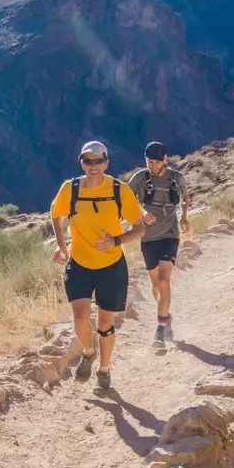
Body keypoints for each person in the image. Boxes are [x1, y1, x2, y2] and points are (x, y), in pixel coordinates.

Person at [50, 141, 145, 393]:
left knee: (105, 323)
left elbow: (140, 227)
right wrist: (61, 245)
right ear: (81, 162)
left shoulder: (118, 190)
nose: (93, 166)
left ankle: (104, 369)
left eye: (98, 161)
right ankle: (88, 352)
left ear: (106, 162)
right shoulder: (69, 189)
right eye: (87, 161)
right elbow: (56, 213)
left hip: (111, 265)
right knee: (80, 316)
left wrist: (117, 240)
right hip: (79, 264)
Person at [129, 141, 190, 350]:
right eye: (148, 161)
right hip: (147, 237)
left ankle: (160, 330)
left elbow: (185, 197)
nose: (152, 165)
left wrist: (184, 218)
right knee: (155, 286)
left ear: (164, 159)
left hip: (170, 235)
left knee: (164, 282)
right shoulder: (140, 178)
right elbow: (126, 200)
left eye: (155, 161)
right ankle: (165, 315)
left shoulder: (176, 178)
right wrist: (141, 213)